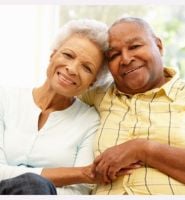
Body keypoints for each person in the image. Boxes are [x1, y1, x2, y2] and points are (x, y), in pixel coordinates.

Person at [81, 17, 185, 195]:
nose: (126, 59)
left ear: (159, 46)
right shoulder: (97, 95)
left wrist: (143, 150)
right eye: (114, 55)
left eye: (135, 46)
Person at [0, 19, 109, 195]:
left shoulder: (89, 121)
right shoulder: (4, 98)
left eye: (87, 68)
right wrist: (77, 174)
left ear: (93, 82)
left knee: (35, 185)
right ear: (53, 55)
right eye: (68, 55)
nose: (72, 69)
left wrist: (41, 188)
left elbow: (78, 192)